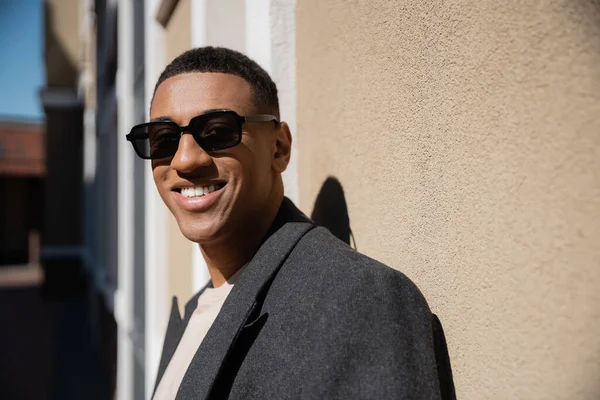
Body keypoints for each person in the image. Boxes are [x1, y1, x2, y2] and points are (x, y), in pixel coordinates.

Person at [126, 46, 455, 400]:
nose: (186, 160)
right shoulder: (193, 309)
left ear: (279, 148)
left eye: (218, 131)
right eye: (163, 139)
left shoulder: (357, 299)